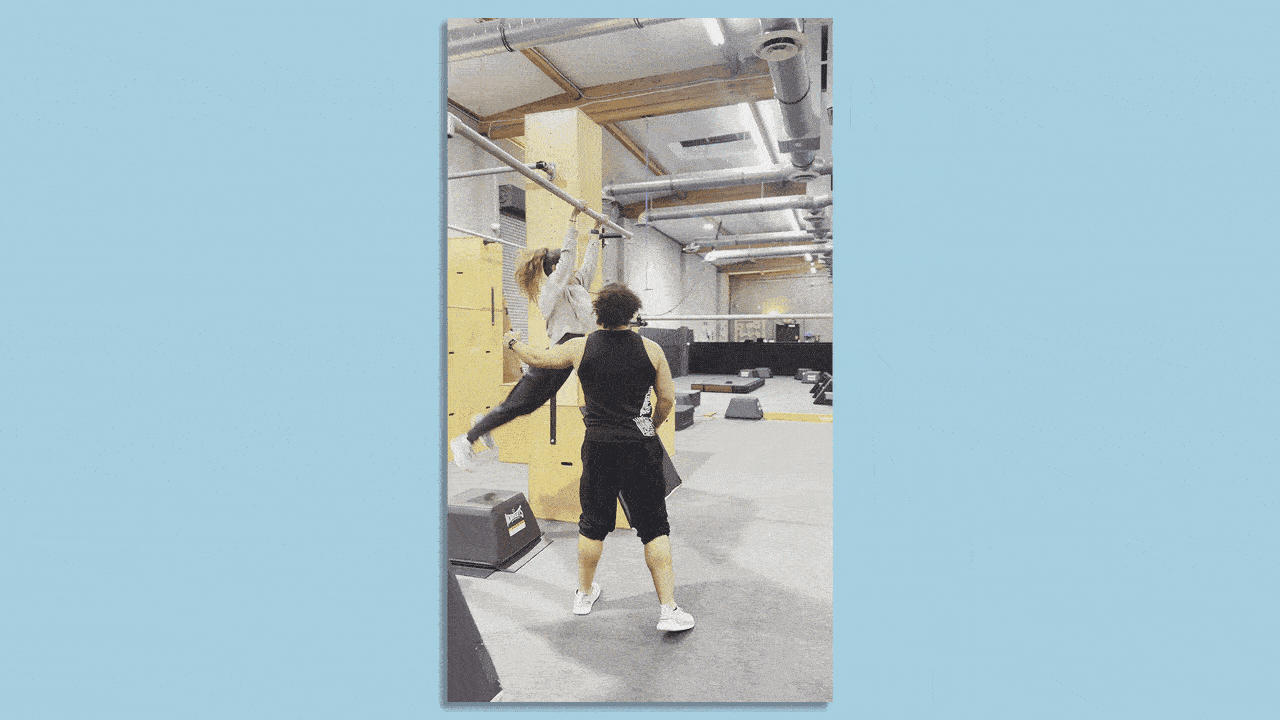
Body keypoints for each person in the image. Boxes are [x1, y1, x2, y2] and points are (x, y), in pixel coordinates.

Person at [503, 283, 694, 633]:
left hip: (599, 445)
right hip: (640, 444)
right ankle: (668, 609)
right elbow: (667, 400)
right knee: (654, 528)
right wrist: (649, 426)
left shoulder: (580, 346)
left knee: (592, 523)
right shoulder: (651, 350)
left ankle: (584, 594)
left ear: (598, 314)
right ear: (632, 314)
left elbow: (538, 359)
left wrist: (513, 342)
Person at [450, 208, 603, 470]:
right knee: (518, 405)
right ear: (554, 269)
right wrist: (573, 219)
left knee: (527, 405)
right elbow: (568, 261)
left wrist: (596, 230)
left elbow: (589, 262)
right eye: (565, 266)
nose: (574, 268)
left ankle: (483, 421)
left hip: (573, 352)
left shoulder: (577, 286)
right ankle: (465, 440)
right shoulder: (551, 289)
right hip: (558, 352)